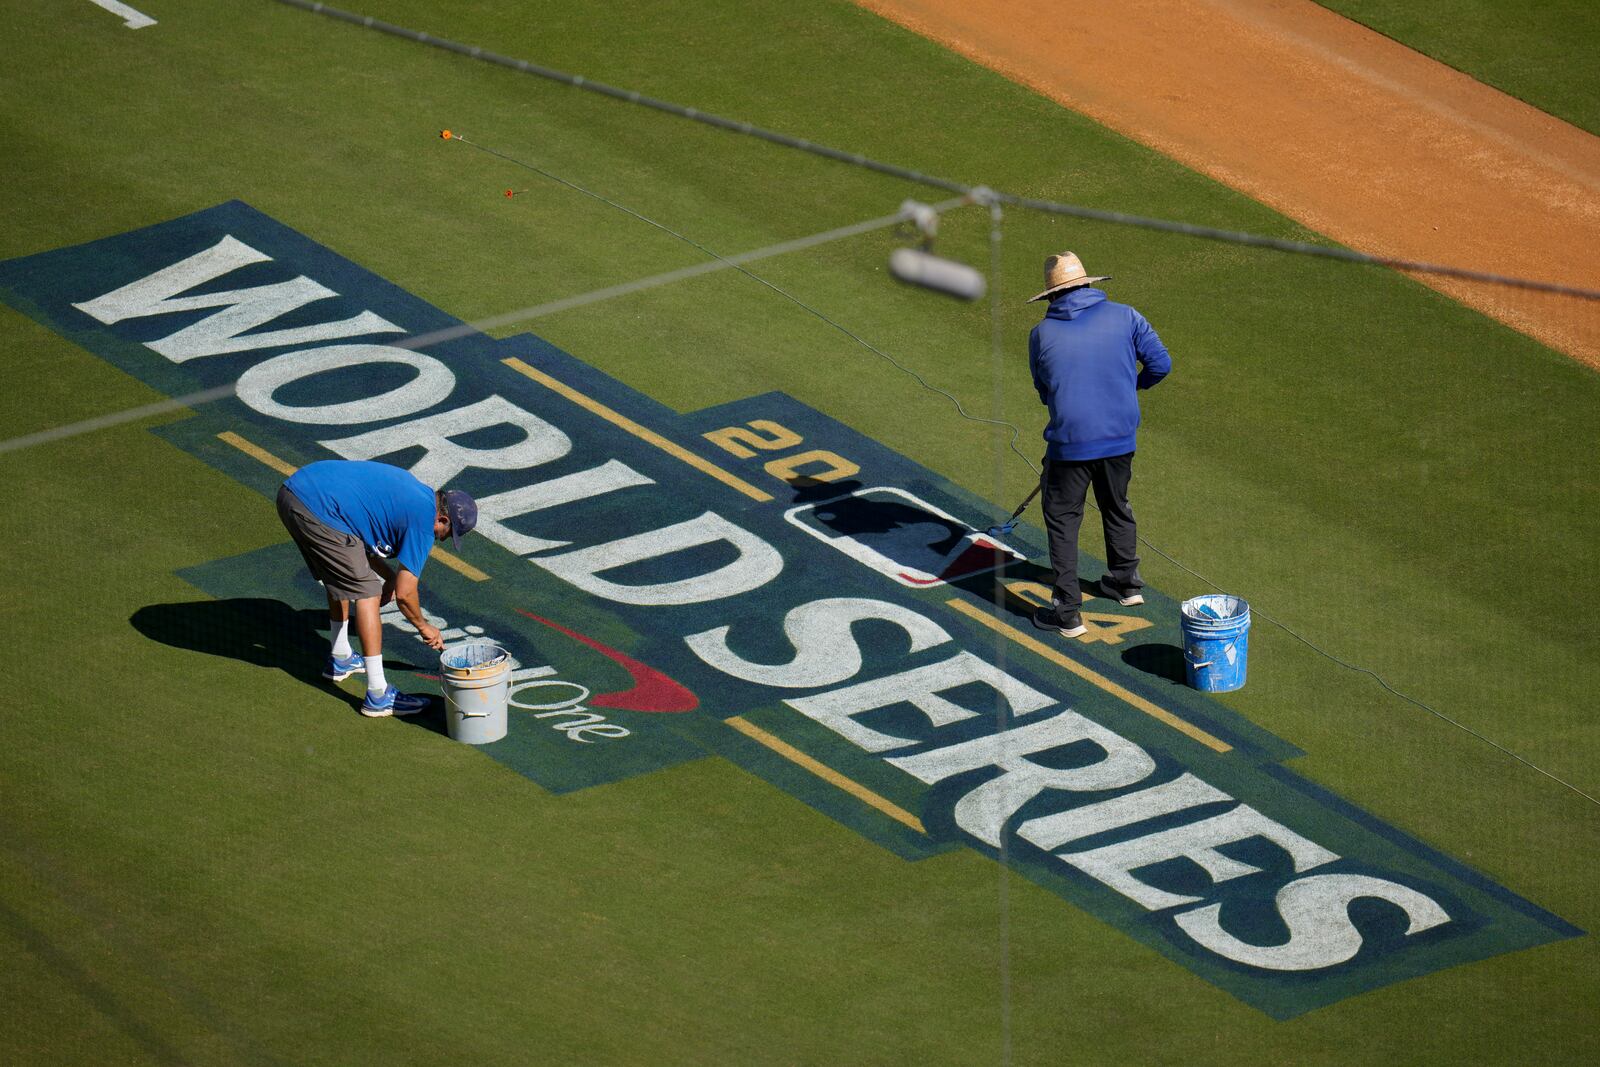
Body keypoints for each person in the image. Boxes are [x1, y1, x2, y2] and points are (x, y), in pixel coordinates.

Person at [1026, 251, 1170, 637]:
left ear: (1051, 296)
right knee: (1116, 504)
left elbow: (1045, 391)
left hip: (1070, 445)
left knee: (1062, 520)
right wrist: (1128, 387)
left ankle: (1068, 612)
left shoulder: (1040, 335)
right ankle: (1125, 584)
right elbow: (1161, 364)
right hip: (1120, 439)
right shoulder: (1127, 316)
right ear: (1088, 285)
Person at [275, 460, 477, 716]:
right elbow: (405, 595)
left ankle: (340, 657)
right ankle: (378, 695)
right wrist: (424, 626)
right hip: (319, 508)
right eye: (447, 534)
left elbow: (357, 544)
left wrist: (389, 577)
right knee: (368, 591)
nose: (442, 539)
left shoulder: (413, 495)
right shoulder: (423, 520)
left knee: (340, 574)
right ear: (443, 518)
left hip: (294, 493)